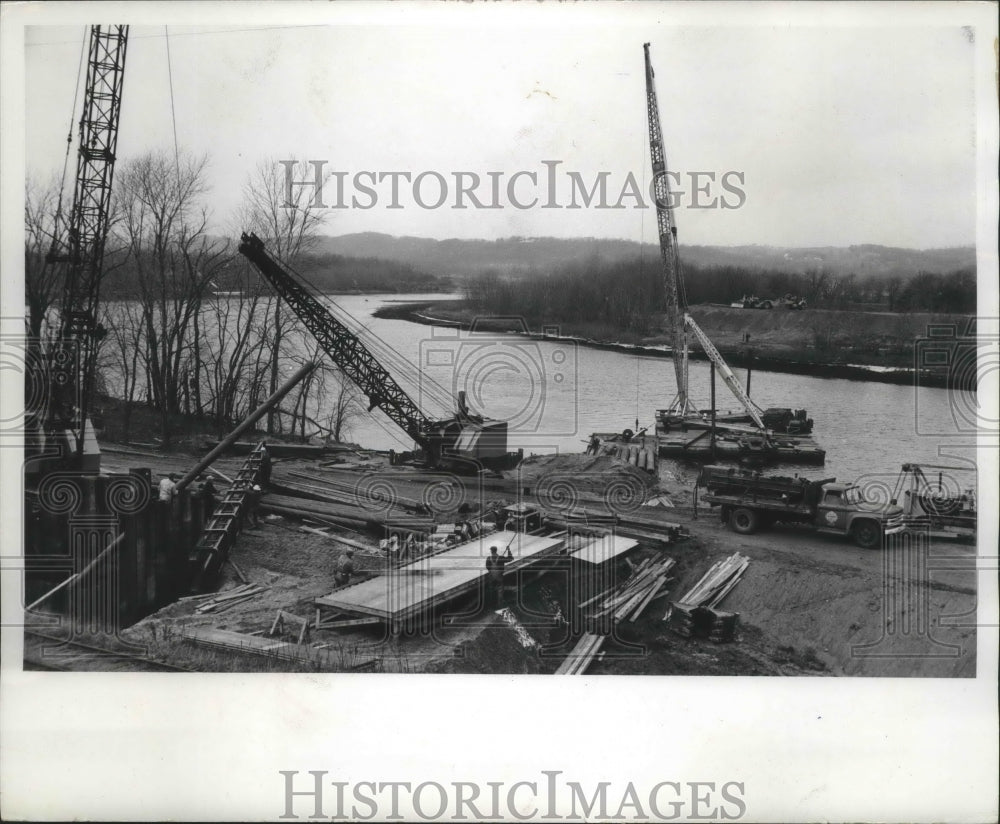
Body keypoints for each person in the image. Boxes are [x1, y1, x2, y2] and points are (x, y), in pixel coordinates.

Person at [485, 543, 513, 608]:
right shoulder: (500, 558)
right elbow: (510, 558)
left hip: (491, 577)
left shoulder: (488, 558)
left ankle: (491, 604)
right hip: (499, 577)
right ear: (496, 551)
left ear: (491, 551)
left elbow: (487, 567)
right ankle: (500, 604)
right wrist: (508, 550)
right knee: (500, 589)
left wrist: (492, 572)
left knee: (491, 589)